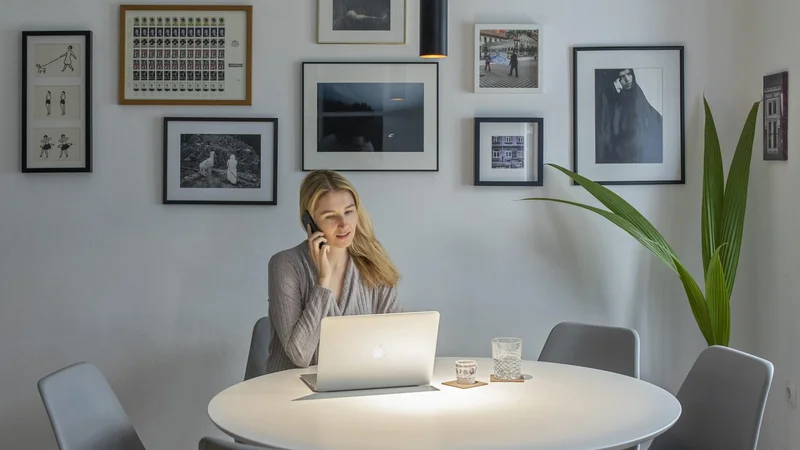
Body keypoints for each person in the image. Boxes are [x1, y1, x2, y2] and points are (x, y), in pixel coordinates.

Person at [265, 170, 402, 373]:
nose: (344, 224)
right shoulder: (285, 265)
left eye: (349, 211)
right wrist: (323, 281)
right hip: (291, 395)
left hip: (356, 389)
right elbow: (300, 355)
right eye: (331, 216)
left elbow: (396, 339)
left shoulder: (373, 262)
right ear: (309, 222)